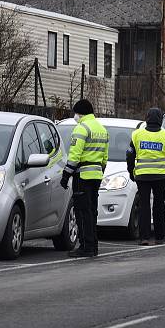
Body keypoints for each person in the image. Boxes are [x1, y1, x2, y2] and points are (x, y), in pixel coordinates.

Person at [126, 109, 165, 246]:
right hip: (160, 177)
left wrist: (131, 171)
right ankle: (160, 236)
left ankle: (144, 237)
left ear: (147, 118)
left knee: (144, 206)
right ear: (161, 120)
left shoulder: (137, 134)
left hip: (142, 176)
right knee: (159, 205)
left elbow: (130, 154)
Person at [60, 99, 109, 258]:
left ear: (80, 113)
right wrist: (99, 171)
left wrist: (66, 174)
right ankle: (93, 246)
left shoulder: (81, 128)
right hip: (96, 176)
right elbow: (104, 159)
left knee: (82, 212)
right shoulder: (102, 129)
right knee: (92, 212)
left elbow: (75, 155)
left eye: (76, 113)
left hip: (82, 176)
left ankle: (85, 247)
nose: (75, 116)